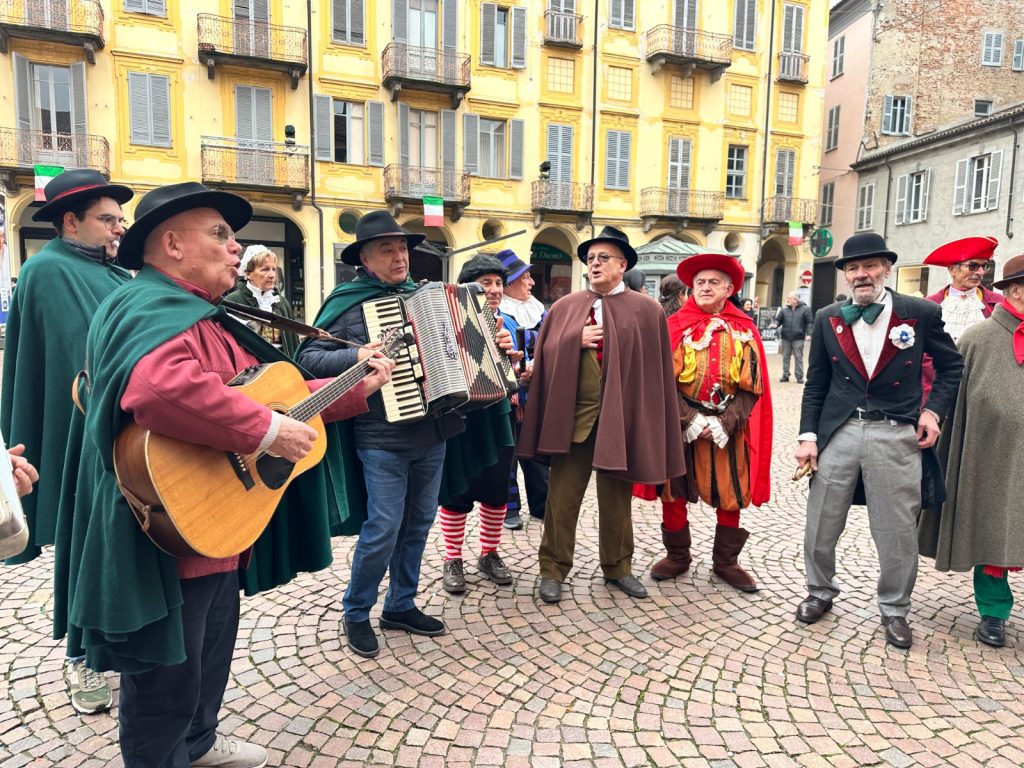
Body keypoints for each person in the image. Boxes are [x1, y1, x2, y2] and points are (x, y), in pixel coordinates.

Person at [64, 182, 392, 768]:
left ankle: (198, 745)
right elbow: (158, 389)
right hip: (163, 529)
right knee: (166, 674)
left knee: (209, 654)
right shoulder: (147, 305)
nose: (236, 247)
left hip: (214, 524)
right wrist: (266, 431)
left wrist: (354, 386)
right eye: (219, 234)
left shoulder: (207, 317)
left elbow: (274, 396)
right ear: (172, 244)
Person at [296, 211, 465, 659]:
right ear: (365, 259)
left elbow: (460, 346)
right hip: (381, 435)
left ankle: (400, 605)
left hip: (433, 430)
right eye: (387, 250)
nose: (399, 257)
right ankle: (356, 611)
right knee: (384, 527)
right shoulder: (347, 302)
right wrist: (356, 355)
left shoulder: (426, 297)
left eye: (402, 248)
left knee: (419, 523)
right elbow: (308, 359)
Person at [0, 169, 133, 714]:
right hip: (79, 441)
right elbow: (66, 363)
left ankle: (120, 645)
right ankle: (82, 660)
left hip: (126, 435)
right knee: (84, 550)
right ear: (71, 221)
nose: (118, 228)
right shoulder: (47, 270)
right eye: (108, 219)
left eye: (120, 220)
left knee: (121, 551)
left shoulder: (114, 273)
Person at [794, 233, 963, 649]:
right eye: (853, 268)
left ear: (886, 269)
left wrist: (932, 412)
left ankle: (895, 608)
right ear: (846, 275)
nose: (861, 274)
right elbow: (816, 384)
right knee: (821, 521)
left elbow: (951, 367)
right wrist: (808, 436)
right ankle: (819, 591)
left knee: (896, 528)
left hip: (895, 431)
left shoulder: (920, 313)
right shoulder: (828, 317)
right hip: (840, 431)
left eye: (870, 266)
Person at [517, 226, 686, 604]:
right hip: (573, 421)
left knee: (616, 500)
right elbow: (543, 356)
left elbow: (656, 372)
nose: (594, 264)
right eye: (590, 258)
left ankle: (618, 567)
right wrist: (572, 340)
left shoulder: (647, 311)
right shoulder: (564, 308)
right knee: (561, 499)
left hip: (621, 421)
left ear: (622, 265)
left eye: (603, 258)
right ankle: (553, 569)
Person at [641, 254, 773, 592]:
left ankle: (726, 562)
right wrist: (689, 419)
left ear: (729, 289)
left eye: (713, 282)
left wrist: (724, 423)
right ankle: (677, 556)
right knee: (673, 491)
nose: (705, 287)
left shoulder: (744, 329)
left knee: (731, 492)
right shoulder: (673, 327)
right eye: (699, 282)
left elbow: (753, 386)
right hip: (679, 425)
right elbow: (659, 383)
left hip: (729, 427)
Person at [922, 255, 1024, 648]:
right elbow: (954, 405)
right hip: (992, 456)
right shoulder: (977, 340)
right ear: (1015, 291)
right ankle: (994, 612)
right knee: (992, 527)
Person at [437, 254, 518, 593]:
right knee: (458, 487)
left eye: (498, 283)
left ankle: (489, 553)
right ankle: (452, 557)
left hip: (499, 413)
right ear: (468, 288)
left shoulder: (507, 322)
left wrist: (513, 358)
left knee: (497, 488)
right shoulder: (447, 320)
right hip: (461, 415)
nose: (495, 290)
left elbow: (516, 373)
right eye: (486, 284)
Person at [497, 249, 549, 530]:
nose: (531, 282)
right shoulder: (498, 313)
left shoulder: (537, 308)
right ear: (509, 284)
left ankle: (542, 504)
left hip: (537, 390)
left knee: (537, 452)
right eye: (525, 277)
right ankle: (509, 509)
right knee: (509, 454)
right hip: (512, 394)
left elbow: (551, 342)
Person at [223, 244, 299, 356]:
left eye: (273, 269)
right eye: (265, 269)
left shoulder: (282, 302)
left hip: (282, 364)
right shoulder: (233, 301)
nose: (272, 275)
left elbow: (292, 344)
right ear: (248, 274)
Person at [773, 291, 813, 383]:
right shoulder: (784, 309)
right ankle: (785, 375)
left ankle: (799, 376)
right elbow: (778, 320)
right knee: (785, 357)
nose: (788, 300)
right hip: (785, 337)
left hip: (798, 337)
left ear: (796, 299)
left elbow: (810, 323)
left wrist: (809, 334)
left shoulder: (805, 309)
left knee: (798, 357)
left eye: (790, 298)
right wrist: (775, 324)